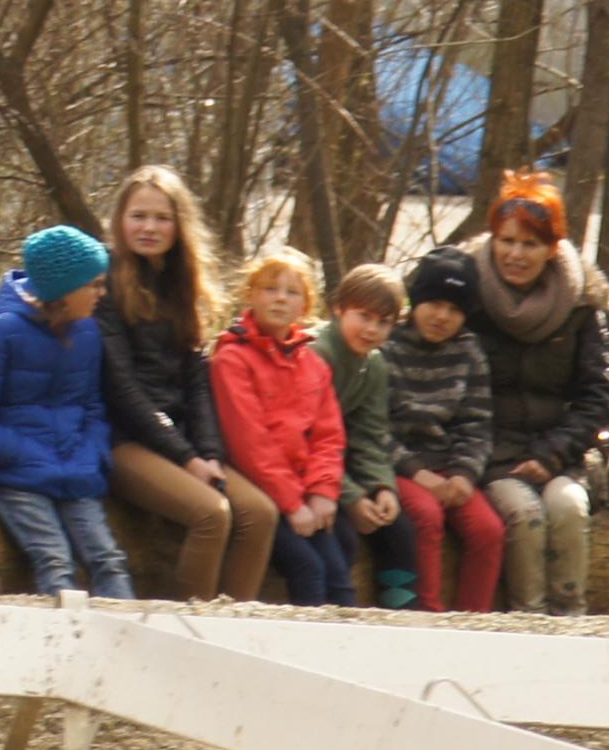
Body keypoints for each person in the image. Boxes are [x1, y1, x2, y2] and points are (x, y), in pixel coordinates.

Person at [96, 164, 279, 602]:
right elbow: (122, 389)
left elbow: (197, 384)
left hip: (180, 437)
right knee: (211, 513)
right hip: (124, 438)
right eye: (139, 216)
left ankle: (233, 625)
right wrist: (186, 458)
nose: (149, 227)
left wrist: (209, 453)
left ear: (179, 225)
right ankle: (192, 625)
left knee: (259, 513)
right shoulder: (106, 283)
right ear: (121, 220)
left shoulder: (182, 284)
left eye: (162, 218)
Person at [0, 225, 143, 597]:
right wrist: (32, 458)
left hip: (74, 471)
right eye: (94, 285)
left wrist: (89, 456)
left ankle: (127, 628)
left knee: (108, 559)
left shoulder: (87, 333)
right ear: (63, 289)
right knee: (54, 559)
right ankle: (61, 635)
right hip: (13, 476)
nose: (102, 294)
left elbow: (92, 407)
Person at [465, 171, 609, 616]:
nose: (515, 254)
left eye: (529, 244)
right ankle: (527, 619)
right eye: (507, 241)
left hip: (558, 453)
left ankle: (569, 618)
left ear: (551, 249)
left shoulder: (580, 306)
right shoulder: (468, 297)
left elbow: (599, 396)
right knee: (525, 516)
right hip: (492, 454)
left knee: (567, 509)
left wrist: (552, 454)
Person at [214, 247, 354, 606]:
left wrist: (323, 491)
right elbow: (250, 442)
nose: (280, 299)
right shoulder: (232, 358)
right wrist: (292, 504)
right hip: (263, 490)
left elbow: (328, 436)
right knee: (308, 567)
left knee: (339, 569)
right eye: (270, 289)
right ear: (250, 295)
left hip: (306, 489)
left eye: (292, 292)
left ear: (305, 306)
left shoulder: (313, 365)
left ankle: (350, 639)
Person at [384, 249, 507, 613]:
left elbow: (476, 423)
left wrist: (464, 474)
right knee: (426, 515)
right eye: (434, 304)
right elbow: (376, 430)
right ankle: (429, 615)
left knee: (488, 530)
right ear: (416, 302)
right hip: (402, 466)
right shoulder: (388, 348)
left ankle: (473, 620)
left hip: (449, 467)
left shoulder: (469, 351)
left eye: (454, 309)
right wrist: (417, 473)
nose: (442, 316)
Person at [317, 262, 407, 606]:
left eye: (383, 322)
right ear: (339, 309)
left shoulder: (374, 364)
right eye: (364, 316)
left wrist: (381, 486)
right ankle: (335, 615)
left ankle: (398, 613)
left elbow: (369, 435)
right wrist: (351, 497)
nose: (371, 329)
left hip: (334, 467)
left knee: (399, 529)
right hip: (305, 468)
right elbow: (303, 440)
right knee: (342, 537)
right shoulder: (318, 354)